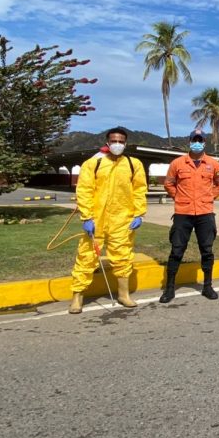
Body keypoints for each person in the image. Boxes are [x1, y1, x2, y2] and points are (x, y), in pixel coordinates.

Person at [69, 127, 147, 314]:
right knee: (87, 256)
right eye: (114, 141)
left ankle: (123, 294)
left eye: (121, 141)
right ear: (107, 142)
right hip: (97, 219)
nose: (117, 144)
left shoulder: (132, 163)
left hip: (123, 218)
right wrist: (87, 216)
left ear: (125, 144)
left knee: (123, 256)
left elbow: (139, 189)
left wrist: (139, 213)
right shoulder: (93, 163)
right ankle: (77, 297)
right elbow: (84, 190)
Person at [159, 129, 219, 303]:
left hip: (205, 213)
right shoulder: (178, 163)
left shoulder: (213, 164)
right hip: (183, 213)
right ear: (189, 141)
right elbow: (169, 184)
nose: (197, 142)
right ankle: (169, 288)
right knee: (176, 250)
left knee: (207, 250)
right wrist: (179, 197)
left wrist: (209, 197)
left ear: (205, 142)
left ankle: (207, 286)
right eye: (194, 139)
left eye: (200, 139)